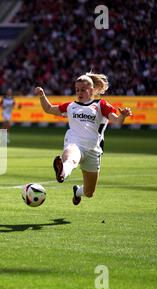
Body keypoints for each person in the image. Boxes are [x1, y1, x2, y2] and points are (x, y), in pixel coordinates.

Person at [34, 72, 132, 205]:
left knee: (89, 192)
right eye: (77, 90)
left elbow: (117, 121)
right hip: (75, 143)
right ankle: (62, 171)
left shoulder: (100, 105)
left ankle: (77, 192)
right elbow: (49, 109)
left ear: (91, 90)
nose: (79, 92)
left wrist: (123, 116)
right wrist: (42, 96)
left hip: (93, 150)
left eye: (83, 90)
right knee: (70, 159)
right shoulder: (70, 106)